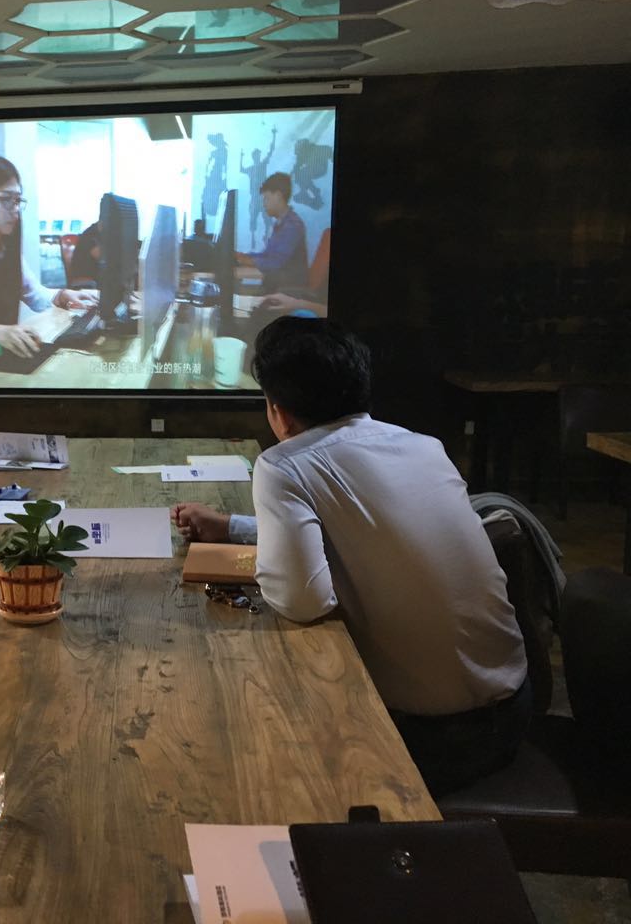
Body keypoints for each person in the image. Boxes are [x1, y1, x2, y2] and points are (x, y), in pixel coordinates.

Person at [174, 317, 529, 796]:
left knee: (239, 731)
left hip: (431, 738)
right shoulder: (423, 447)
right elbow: (358, 533)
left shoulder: (284, 465)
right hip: (515, 708)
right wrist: (232, 527)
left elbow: (301, 601)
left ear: (278, 411)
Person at [0, 155, 96, 359]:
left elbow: (34, 293)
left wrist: (62, 295)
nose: (15, 209)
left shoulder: (6, 249)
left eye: (17, 200)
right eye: (6, 199)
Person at [236, 172, 308, 296]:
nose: (264, 204)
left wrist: (248, 261)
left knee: (237, 293)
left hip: (287, 291)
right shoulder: (281, 224)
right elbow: (268, 255)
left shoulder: (292, 226)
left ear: (278, 196)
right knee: (237, 291)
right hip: (276, 285)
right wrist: (243, 257)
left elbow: (276, 263)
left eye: (266, 198)